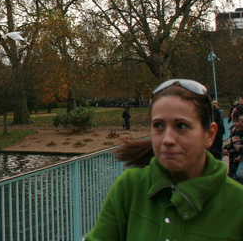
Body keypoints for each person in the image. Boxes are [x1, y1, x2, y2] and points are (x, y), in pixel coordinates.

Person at [86, 79, 243, 241]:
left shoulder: (237, 205)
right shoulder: (131, 186)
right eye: (159, 126)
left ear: (209, 135)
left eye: (181, 126)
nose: (167, 139)